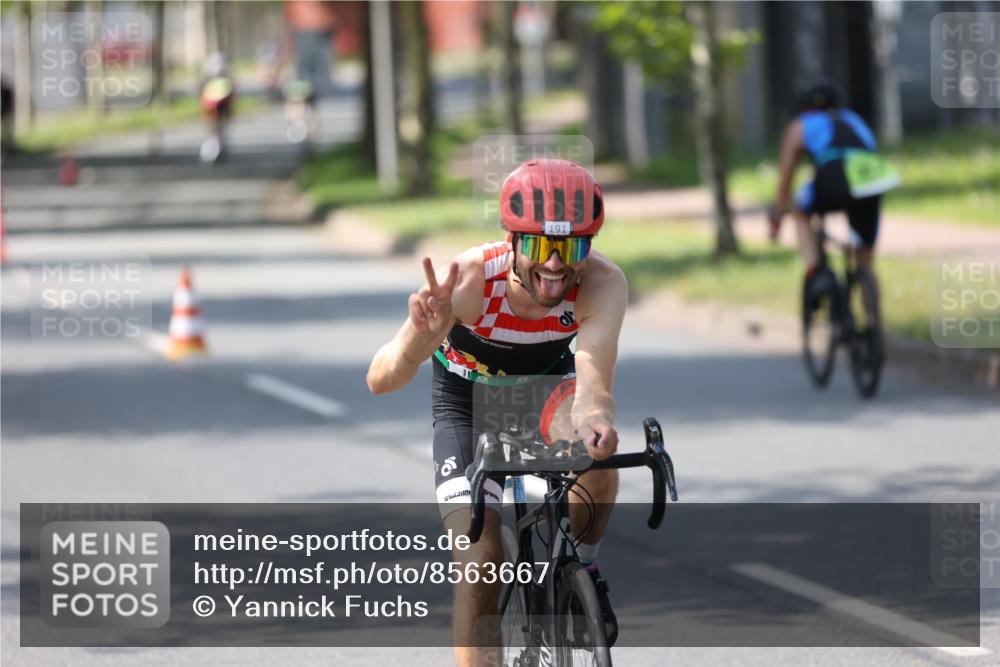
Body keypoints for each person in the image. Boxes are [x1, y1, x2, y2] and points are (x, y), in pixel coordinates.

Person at [367, 159, 627, 666]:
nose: (555, 265)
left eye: (570, 247)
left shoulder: (602, 282)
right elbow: (380, 379)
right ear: (512, 240)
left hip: (547, 397)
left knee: (599, 466)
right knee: (481, 560)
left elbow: (593, 386)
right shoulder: (466, 282)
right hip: (467, 406)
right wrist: (421, 336)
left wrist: (597, 423)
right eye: (540, 246)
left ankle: (584, 569)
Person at [769, 79, 899, 288]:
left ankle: (813, 268)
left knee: (800, 209)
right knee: (864, 254)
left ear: (804, 107)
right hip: (871, 178)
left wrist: (777, 217)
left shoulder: (801, 124)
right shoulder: (855, 119)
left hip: (833, 176)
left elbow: (786, 179)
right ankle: (871, 309)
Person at [199, 53, 236, 164]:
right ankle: (210, 152)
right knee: (213, 130)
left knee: (219, 130)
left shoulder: (226, 79)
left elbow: (231, 95)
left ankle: (217, 148)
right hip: (211, 109)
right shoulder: (207, 80)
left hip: (222, 109)